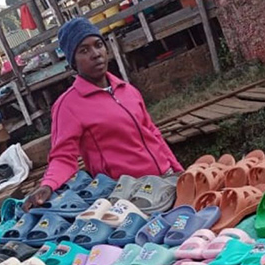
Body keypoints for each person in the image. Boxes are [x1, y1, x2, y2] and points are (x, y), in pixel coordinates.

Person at [22, 18, 182, 211]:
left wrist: (178, 170)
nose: (96, 54)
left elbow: (153, 133)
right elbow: (63, 157)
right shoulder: (68, 105)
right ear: (73, 61)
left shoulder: (128, 91)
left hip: (166, 180)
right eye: (84, 50)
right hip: (129, 195)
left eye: (99, 45)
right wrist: (48, 185)